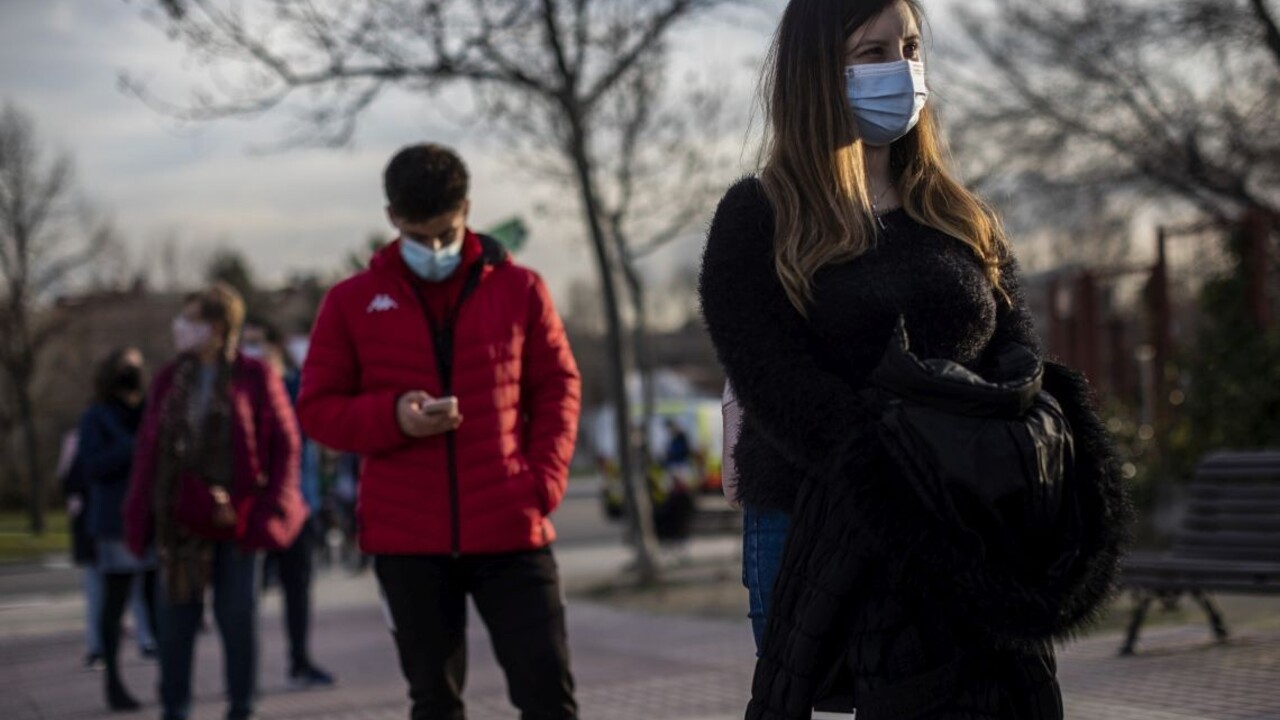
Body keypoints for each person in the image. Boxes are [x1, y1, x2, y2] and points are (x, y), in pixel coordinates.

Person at [699, 1, 1129, 717]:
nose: (901, 69)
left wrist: (989, 465)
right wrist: (902, 470)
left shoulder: (957, 214)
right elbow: (775, 382)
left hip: (970, 527)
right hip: (817, 530)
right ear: (817, 72)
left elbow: (1016, 352)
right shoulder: (761, 217)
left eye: (909, 46)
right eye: (871, 53)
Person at [299, 143, 581, 720]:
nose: (434, 248)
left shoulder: (521, 288)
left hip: (511, 523)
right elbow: (317, 409)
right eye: (418, 234)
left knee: (548, 693)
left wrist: (542, 483)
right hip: (407, 541)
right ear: (392, 219)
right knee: (434, 702)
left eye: (445, 232)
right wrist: (393, 418)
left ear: (468, 210)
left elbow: (558, 387)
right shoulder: (349, 302)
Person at [124, 283, 308, 720]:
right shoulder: (170, 376)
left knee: (237, 618)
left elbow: (286, 445)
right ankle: (175, 708)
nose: (181, 328)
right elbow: (148, 450)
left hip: (238, 521)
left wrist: (268, 514)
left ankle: (242, 707)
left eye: (192, 319)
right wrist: (138, 514)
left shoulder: (256, 374)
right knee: (174, 624)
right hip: (180, 522)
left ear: (219, 326)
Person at [241, 318, 336, 689]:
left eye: (257, 342)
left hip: (298, 504)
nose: (249, 350)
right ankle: (243, 673)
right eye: (245, 343)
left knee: (298, 590)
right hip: (253, 508)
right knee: (245, 594)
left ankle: (300, 660)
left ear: (276, 348)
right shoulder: (239, 388)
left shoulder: (298, 386)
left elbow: (313, 429)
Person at [78, 347, 159, 711]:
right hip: (117, 522)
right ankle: (113, 681)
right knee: (116, 603)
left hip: (154, 520)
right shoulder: (97, 417)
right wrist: (133, 447)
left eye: (137, 367)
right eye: (126, 367)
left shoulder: (151, 411)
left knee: (161, 604)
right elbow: (90, 466)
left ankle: (170, 680)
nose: (133, 373)